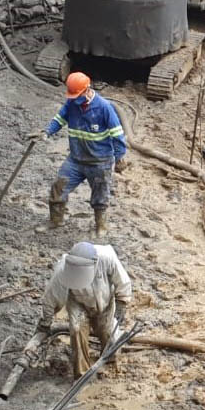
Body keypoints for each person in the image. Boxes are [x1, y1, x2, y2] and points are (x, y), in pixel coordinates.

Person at [43, 71, 127, 236]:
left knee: (100, 196)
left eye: (78, 95)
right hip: (76, 159)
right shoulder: (72, 103)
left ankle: (101, 225)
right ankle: (55, 220)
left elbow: (117, 134)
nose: (75, 100)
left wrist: (119, 157)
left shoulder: (104, 108)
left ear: (87, 90)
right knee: (58, 188)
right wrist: (46, 133)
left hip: (99, 161)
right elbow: (59, 120)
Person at [36, 241, 133, 378]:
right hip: (78, 303)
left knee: (108, 332)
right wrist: (45, 322)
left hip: (104, 301)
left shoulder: (107, 257)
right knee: (76, 330)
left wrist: (122, 302)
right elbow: (50, 298)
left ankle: (109, 360)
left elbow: (123, 281)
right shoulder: (63, 270)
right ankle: (82, 373)